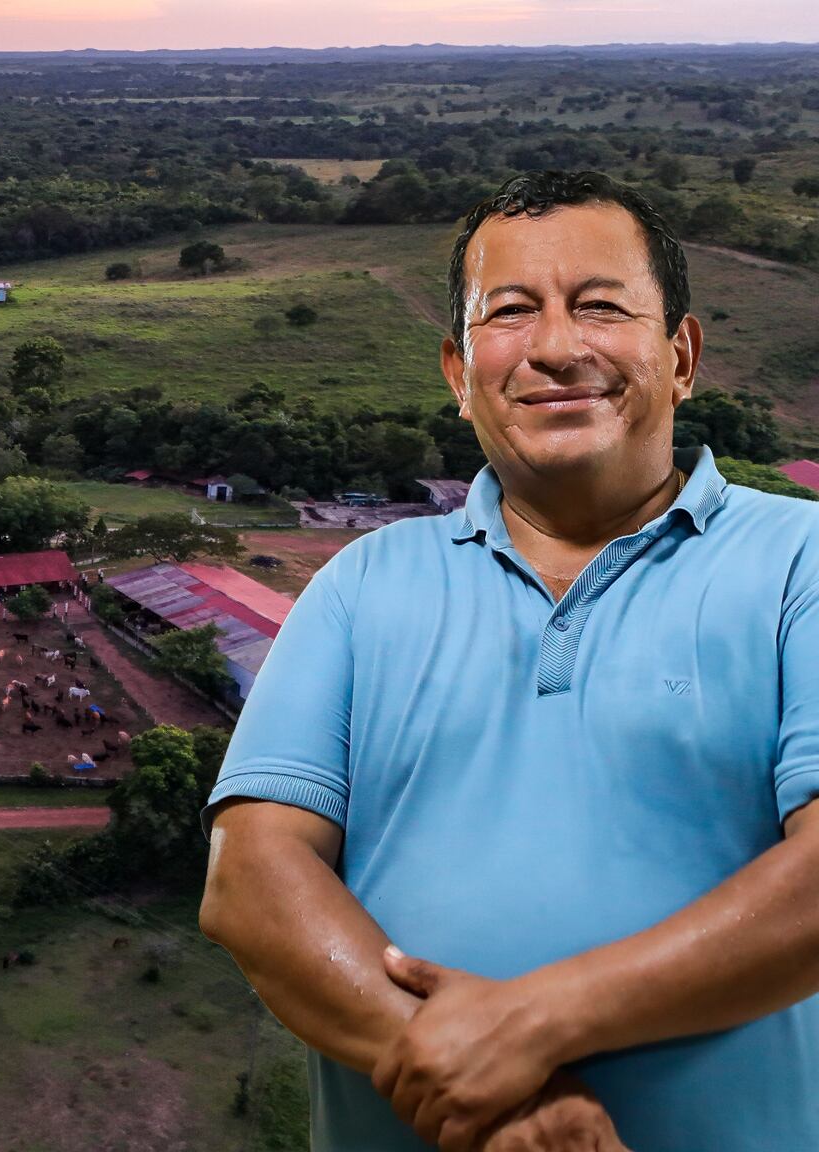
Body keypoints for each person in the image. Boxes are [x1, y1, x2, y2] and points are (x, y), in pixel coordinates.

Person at [199, 169, 819, 1152]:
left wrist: (538, 1022)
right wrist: (492, 1094)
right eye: (510, 313)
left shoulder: (796, 561)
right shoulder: (362, 585)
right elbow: (249, 880)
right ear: (457, 371)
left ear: (682, 353)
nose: (555, 349)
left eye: (600, 308)